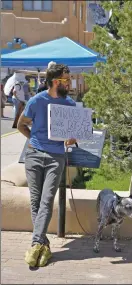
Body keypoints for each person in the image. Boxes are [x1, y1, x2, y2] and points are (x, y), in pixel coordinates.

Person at [17, 64, 77, 267]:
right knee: (35, 201)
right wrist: (34, 141)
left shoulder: (69, 104)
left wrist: (70, 140)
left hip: (56, 157)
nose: (69, 83)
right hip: (34, 155)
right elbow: (21, 125)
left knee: (47, 199)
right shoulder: (36, 100)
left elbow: (74, 134)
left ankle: (36, 242)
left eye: (69, 80)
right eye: (66, 80)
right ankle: (43, 243)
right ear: (54, 82)